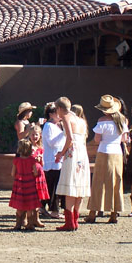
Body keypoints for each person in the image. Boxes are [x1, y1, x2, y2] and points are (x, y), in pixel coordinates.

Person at [84, 95, 128, 224]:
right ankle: (114, 213)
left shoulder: (102, 121)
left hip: (104, 152)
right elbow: (124, 139)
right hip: (117, 153)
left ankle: (93, 213)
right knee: (116, 182)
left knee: (99, 182)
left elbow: (97, 139)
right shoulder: (122, 120)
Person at [54, 97, 90, 231]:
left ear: (59, 108)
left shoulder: (67, 118)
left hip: (73, 153)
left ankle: (69, 223)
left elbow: (69, 138)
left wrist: (61, 153)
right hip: (82, 152)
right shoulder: (81, 120)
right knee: (79, 186)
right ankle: (75, 221)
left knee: (70, 186)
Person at [9, 138, 41, 231]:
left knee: (19, 205)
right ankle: (30, 224)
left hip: (19, 184)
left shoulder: (16, 160)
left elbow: (12, 173)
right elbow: (35, 172)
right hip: (30, 184)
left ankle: (18, 224)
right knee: (30, 205)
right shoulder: (32, 160)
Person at [41, 102, 66, 218]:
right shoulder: (49, 126)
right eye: (57, 113)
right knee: (53, 186)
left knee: (53, 186)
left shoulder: (56, 126)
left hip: (57, 159)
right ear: (51, 114)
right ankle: (54, 210)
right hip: (52, 159)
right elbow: (51, 142)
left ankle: (44, 207)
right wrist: (64, 134)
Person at [29, 124, 49, 227]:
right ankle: (29, 219)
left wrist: (40, 160)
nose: (34, 137)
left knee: (38, 198)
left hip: (39, 174)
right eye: (32, 135)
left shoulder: (40, 148)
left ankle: (36, 219)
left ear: (40, 135)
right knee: (30, 197)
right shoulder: (27, 147)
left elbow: (43, 164)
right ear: (29, 135)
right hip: (30, 174)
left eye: (36, 135)